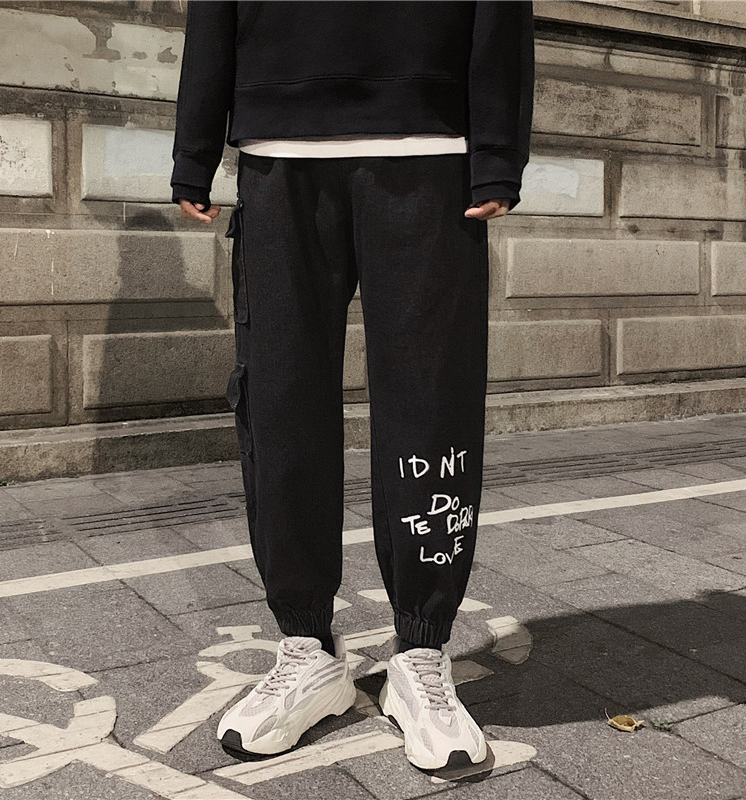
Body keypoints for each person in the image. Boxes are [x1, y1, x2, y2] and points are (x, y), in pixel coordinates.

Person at [170, 0, 534, 772]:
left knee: (432, 406)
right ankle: (306, 648)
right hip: (279, 148)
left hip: (430, 145)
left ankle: (421, 652)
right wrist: (195, 142)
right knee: (281, 404)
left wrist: (498, 148)